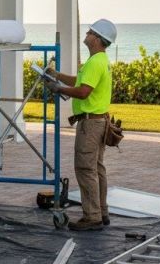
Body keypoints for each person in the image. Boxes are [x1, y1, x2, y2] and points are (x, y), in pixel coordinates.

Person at [49, 18, 117, 232]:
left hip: (91, 123)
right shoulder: (98, 60)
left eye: (90, 32)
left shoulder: (96, 62)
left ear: (97, 40)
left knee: (85, 169)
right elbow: (80, 82)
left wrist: (58, 89)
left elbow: (83, 91)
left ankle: (92, 216)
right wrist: (57, 76)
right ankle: (101, 211)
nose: (86, 35)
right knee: (97, 168)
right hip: (98, 121)